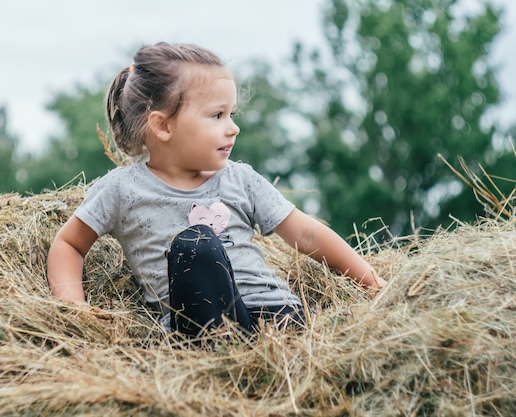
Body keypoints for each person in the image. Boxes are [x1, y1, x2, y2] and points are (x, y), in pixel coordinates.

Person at [47, 42, 386, 338]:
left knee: (199, 243)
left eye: (232, 114)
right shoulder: (122, 189)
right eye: (217, 115)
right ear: (163, 125)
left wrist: (372, 283)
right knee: (195, 246)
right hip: (200, 327)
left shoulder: (241, 179)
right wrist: (75, 309)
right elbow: (68, 244)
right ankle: (227, 350)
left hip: (275, 317)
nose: (233, 128)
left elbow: (308, 235)